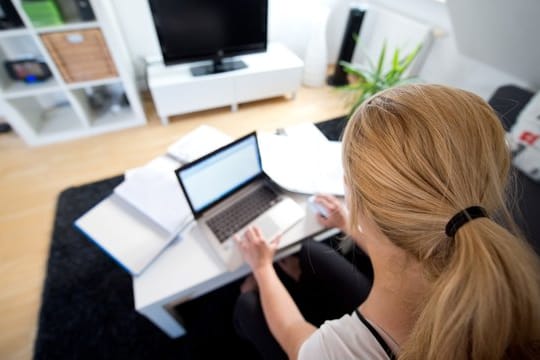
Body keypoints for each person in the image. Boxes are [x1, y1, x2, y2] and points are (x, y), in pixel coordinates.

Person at [232, 84, 540, 359]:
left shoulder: (335, 351)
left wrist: (261, 268)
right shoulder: (479, 258)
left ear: (353, 196)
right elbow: (412, 245)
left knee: (248, 305)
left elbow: (294, 338)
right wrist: (350, 225)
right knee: (310, 253)